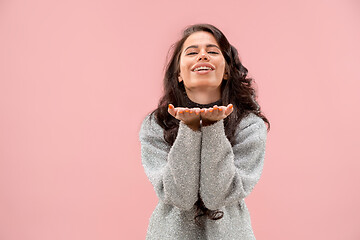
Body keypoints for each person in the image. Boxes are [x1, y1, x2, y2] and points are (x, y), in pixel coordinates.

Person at [138, 23, 270, 240]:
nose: (202, 56)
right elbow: (180, 197)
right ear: (179, 73)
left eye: (212, 51)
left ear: (226, 70)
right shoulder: (156, 124)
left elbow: (215, 196)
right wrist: (189, 129)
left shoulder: (250, 126)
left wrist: (212, 127)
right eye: (191, 52)